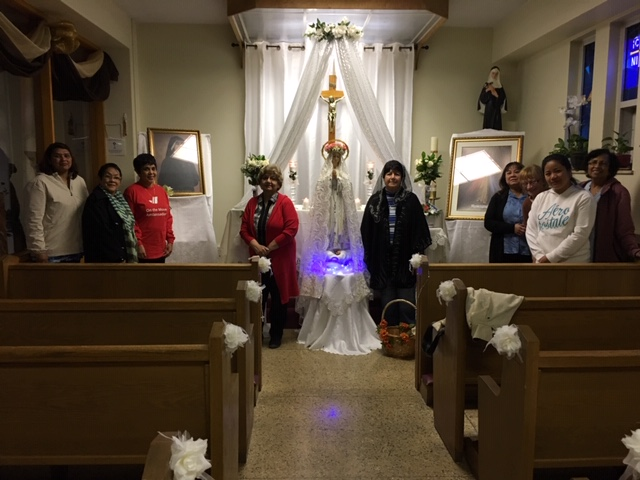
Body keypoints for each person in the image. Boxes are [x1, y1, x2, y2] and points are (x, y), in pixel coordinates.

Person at [297, 140, 379, 355]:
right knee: (327, 235)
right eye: (332, 157)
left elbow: (350, 206)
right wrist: (328, 183)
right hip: (327, 220)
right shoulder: (322, 180)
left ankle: (340, 250)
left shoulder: (347, 180)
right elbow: (319, 202)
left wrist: (340, 184)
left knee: (342, 231)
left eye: (337, 157)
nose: (335, 160)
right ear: (327, 158)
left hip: (341, 218)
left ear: (341, 158)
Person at [361, 160, 431, 325]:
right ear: (384, 177)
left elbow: (421, 231)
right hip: (384, 262)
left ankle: (408, 341)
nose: (392, 177)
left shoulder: (411, 200)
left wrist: (417, 261)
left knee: (407, 306)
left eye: (397, 174)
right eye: (389, 173)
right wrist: (371, 258)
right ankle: (392, 342)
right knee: (388, 306)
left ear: (402, 177)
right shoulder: (375, 201)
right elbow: (366, 232)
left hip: (405, 262)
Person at [240, 164, 299, 349]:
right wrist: (256, 245)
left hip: (279, 259)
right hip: (258, 258)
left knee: (278, 297)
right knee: (258, 296)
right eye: (265, 178)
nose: (268, 181)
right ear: (260, 181)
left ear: (279, 183)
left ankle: (276, 334)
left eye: (273, 178)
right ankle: (257, 333)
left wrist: (270, 247)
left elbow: (291, 229)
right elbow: (243, 229)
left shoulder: (285, 203)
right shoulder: (252, 203)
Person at [22, 142, 88, 262]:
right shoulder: (40, 183)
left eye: (67, 155)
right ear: (49, 160)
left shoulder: (79, 181)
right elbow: (33, 219)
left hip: (76, 250)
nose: (63, 159)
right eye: (57, 156)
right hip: (51, 253)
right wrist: (39, 251)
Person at [526, 154, 596, 263]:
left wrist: (550, 258)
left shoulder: (583, 197)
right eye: (548, 173)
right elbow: (531, 230)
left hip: (573, 263)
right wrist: (539, 256)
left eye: (557, 171)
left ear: (569, 171)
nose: (553, 176)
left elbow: (580, 234)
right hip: (541, 262)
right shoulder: (541, 197)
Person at [579, 148, 640, 262]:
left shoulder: (619, 192)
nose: (597, 166)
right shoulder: (579, 188)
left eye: (603, 164)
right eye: (593, 162)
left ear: (610, 169)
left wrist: (634, 251)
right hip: (579, 251)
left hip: (604, 253)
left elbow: (625, 228)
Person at [82, 163, 138, 263]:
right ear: (100, 179)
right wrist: (119, 257)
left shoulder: (119, 198)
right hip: (105, 259)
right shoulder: (96, 200)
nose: (112, 180)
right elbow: (102, 233)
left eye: (116, 178)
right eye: (108, 177)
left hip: (118, 255)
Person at [124, 153, 174, 263]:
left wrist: (170, 240)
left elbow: (168, 218)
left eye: (153, 168)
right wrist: (139, 243)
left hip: (161, 249)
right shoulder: (131, 191)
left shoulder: (161, 191)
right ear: (138, 172)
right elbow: (130, 222)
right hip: (143, 249)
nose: (151, 172)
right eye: (146, 169)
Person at [484, 162, 531, 263]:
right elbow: (488, 222)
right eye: (508, 173)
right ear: (504, 177)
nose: (512, 175)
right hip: (503, 251)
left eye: (517, 172)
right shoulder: (498, 197)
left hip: (530, 249)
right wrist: (512, 228)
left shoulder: (533, 195)